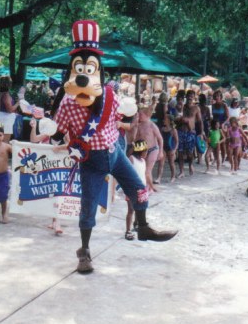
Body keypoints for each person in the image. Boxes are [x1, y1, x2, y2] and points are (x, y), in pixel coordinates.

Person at [53, 20, 177, 274]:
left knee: (139, 188)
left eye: (90, 67)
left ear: (98, 70)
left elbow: (126, 117)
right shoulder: (66, 101)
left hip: (115, 152)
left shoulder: (110, 95)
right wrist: (50, 132)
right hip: (91, 161)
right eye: (80, 67)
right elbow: (58, 133)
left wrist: (132, 116)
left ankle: (143, 227)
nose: (85, 73)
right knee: (88, 207)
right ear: (72, 70)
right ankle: (85, 251)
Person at [30, 117, 64, 235]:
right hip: (47, 169)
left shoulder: (63, 133)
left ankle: (57, 221)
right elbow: (33, 139)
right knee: (52, 195)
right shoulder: (46, 135)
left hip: (60, 169)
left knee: (58, 194)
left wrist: (60, 147)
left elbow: (72, 144)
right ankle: (54, 220)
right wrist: (34, 127)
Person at [135, 106, 164, 191]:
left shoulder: (152, 125)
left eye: (141, 114)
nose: (139, 116)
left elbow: (160, 138)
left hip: (153, 149)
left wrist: (161, 151)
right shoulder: (139, 125)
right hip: (143, 148)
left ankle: (151, 187)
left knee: (147, 170)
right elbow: (137, 138)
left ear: (147, 115)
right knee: (143, 169)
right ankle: (148, 186)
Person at [175, 90, 203, 177]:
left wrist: (201, 133)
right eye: (188, 95)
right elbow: (176, 117)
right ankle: (181, 171)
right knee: (180, 152)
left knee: (190, 153)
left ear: (194, 97)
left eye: (192, 96)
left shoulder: (196, 108)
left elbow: (200, 121)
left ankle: (191, 164)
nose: (190, 97)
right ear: (186, 97)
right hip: (180, 131)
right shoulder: (181, 106)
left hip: (190, 132)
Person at [125, 139, 148, 240]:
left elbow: (144, 174)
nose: (146, 153)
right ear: (141, 150)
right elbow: (126, 172)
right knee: (131, 210)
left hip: (142, 189)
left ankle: (136, 224)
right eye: (145, 151)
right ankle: (128, 230)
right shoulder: (131, 159)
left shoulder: (143, 161)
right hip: (132, 189)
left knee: (140, 208)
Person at [155, 114, 178, 183]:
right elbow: (159, 139)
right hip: (163, 148)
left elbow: (177, 141)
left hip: (170, 148)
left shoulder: (173, 130)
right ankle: (158, 178)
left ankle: (173, 177)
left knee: (171, 163)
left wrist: (174, 150)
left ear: (169, 121)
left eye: (165, 119)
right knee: (161, 163)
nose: (163, 120)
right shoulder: (162, 129)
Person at [0, 76, 20, 142]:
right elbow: (10, 110)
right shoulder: (6, 95)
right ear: (9, 84)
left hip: (1, 117)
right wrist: (18, 103)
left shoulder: (0, 94)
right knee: (4, 143)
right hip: (6, 119)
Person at [211, 90, 229, 164]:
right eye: (215, 96)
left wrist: (224, 124)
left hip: (222, 125)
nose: (217, 97)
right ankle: (215, 158)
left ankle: (223, 159)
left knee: (222, 143)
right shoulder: (213, 105)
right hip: (214, 125)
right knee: (214, 142)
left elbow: (228, 117)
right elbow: (213, 116)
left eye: (218, 96)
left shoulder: (224, 105)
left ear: (221, 97)